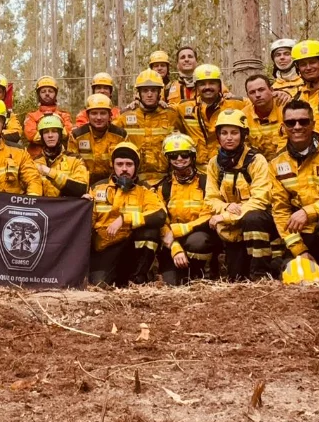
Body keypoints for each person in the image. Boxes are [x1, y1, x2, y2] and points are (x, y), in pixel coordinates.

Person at [269, 100, 319, 279]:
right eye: (291, 123)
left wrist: (311, 211)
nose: (297, 127)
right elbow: (280, 210)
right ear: (284, 127)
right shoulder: (277, 163)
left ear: (313, 124)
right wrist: (299, 250)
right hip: (302, 232)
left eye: (303, 121)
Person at [205, 109, 277, 280]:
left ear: (243, 135)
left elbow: (261, 199)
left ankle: (261, 275)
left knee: (253, 218)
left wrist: (228, 216)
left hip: (257, 222)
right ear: (218, 136)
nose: (229, 138)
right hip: (232, 230)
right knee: (236, 277)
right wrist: (226, 207)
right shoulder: (214, 164)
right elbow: (210, 198)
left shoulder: (256, 160)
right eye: (224, 133)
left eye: (234, 133)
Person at [87, 142, 166, 286]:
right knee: (99, 283)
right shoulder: (97, 187)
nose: (124, 169)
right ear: (113, 165)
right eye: (120, 164)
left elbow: (159, 215)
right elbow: (86, 224)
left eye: (129, 164)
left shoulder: (145, 190)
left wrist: (124, 219)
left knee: (150, 232)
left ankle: (137, 280)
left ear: (136, 166)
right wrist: (83, 206)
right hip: (105, 248)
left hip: (131, 247)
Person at [156, 133, 217, 285]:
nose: (179, 159)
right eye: (173, 156)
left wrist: (182, 229)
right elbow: (161, 220)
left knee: (198, 241)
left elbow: (209, 214)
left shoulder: (206, 182)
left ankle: (201, 275)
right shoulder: (164, 187)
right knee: (172, 283)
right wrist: (175, 246)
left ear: (192, 156)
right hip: (171, 241)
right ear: (168, 159)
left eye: (184, 154)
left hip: (198, 235)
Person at [114, 69, 180, 186]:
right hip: (135, 180)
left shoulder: (171, 115)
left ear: (160, 92)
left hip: (166, 179)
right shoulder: (125, 117)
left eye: (153, 90)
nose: (149, 94)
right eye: (145, 90)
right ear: (138, 93)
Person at [175, 64, 245, 167]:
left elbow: (258, 103)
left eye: (212, 83)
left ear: (219, 85)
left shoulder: (236, 104)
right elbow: (164, 110)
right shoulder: (184, 107)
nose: (207, 87)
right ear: (196, 87)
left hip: (228, 166)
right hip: (197, 169)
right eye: (202, 84)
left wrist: (276, 95)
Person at [69, 93, 128, 185]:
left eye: (103, 113)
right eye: (94, 113)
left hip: (113, 184)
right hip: (85, 185)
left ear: (110, 115)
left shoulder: (120, 135)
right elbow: (71, 166)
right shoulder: (77, 136)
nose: (99, 117)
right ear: (87, 115)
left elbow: (126, 164)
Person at [33, 114, 89, 197]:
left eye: (54, 131)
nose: (50, 135)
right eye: (46, 132)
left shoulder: (75, 160)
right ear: (41, 136)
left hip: (68, 209)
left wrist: (49, 172)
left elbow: (81, 189)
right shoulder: (34, 163)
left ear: (61, 134)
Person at [23, 75, 74, 158]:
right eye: (43, 91)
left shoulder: (64, 115)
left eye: (50, 91)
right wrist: (57, 135)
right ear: (38, 94)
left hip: (60, 156)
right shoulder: (31, 116)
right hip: (36, 157)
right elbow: (31, 136)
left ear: (55, 93)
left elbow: (68, 131)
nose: (47, 94)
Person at [243, 74, 286, 162]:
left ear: (271, 90)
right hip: (258, 165)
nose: (257, 95)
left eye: (261, 90)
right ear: (247, 96)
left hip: (287, 161)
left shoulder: (286, 110)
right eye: (252, 92)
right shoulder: (243, 116)